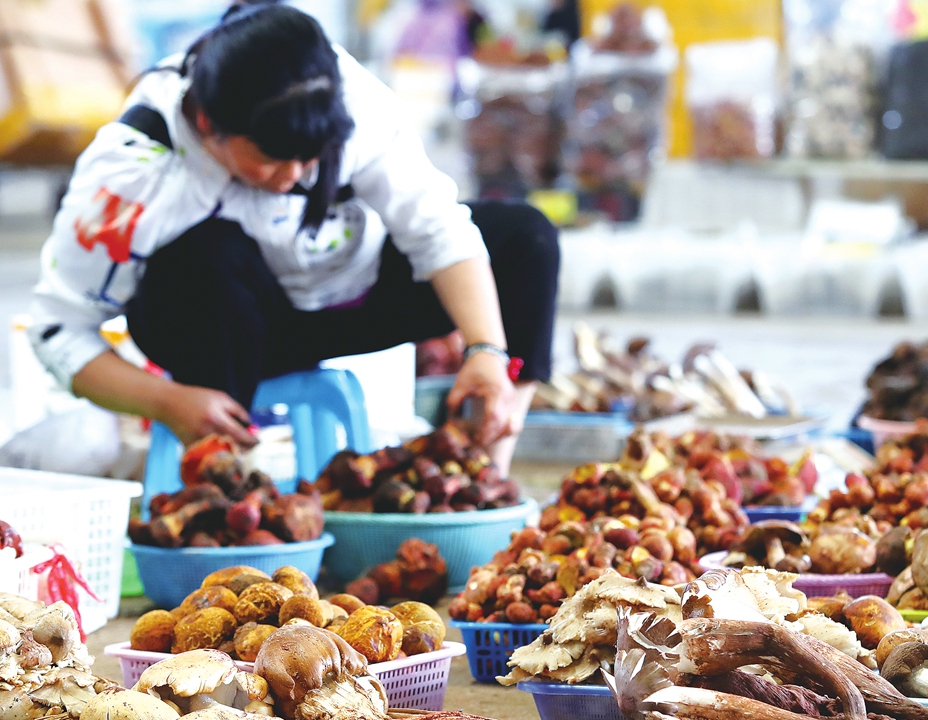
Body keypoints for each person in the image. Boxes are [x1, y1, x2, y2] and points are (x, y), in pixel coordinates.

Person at [27, 1, 559, 475]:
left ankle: (489, 475)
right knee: (202, 255)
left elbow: (437, 228)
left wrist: (485, 349)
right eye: (270, 160)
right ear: (209, 123)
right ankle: (224, 490)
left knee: (526, 238)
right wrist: (166, 401)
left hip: (352, 297)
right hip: (227, 325)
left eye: (312, 157)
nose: (296, 175)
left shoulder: (343, 95)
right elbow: (56, 330)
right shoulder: (131, 175)